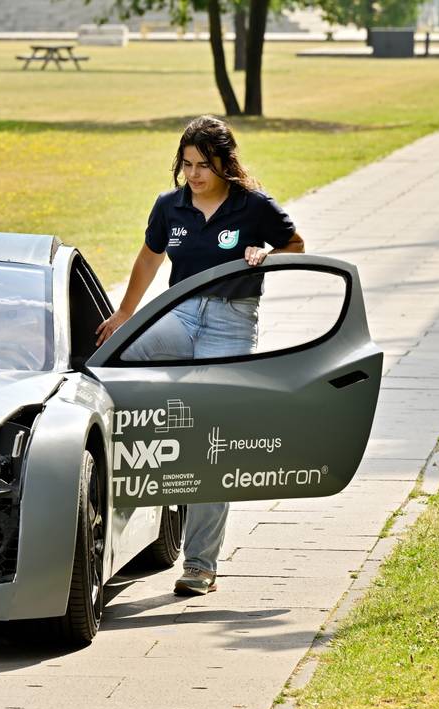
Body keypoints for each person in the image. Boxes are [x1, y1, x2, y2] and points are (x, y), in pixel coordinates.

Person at [95, 115, 305, 596]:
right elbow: (150, 257)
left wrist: (265, 256)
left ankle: (200, 565)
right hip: (180, 315)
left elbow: (296, 244)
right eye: (187, 165)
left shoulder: (253, 206)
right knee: (113, 357)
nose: (194, 175)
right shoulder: (169, 206)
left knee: (215, 442)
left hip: (231, 324)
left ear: (224, 165)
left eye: (203, 165)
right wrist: (126, 312)